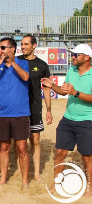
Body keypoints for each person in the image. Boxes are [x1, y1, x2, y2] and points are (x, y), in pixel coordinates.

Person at [41, 44, 92, 197]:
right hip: (68, 119)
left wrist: (75, 92)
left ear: (87, 57)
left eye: (76, 54)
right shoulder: (72, 70)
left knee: (87, 156)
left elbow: (76, 93)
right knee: (60, 153)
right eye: (73, 54)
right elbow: (64, 92)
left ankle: (90, 186)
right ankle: (57, 183)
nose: (73, 57)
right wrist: (53, 86)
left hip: (87, 121)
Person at [0, 37, 30, 189]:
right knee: (4, 147)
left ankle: (25, 181)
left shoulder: (23, 62)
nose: (0, 50)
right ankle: (3, 178)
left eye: (3, 48)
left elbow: (25, 77)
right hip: (3, 113)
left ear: (12, 49)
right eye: (0, 48)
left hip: (20, 113)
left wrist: (14, 63)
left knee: (22, 148)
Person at [14, 34, 53, 182]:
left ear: (34, 45)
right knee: (18, 140)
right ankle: (19, 167)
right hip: (18, 106)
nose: (23, 47)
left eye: (26, 44)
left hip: (35, 107)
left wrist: (49, 109)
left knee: (35, 140)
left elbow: (47, 88)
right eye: (22, 44)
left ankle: (36, 173)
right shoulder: (16, 61)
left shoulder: (42, 65)